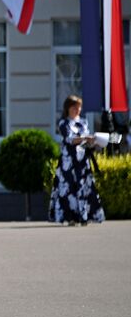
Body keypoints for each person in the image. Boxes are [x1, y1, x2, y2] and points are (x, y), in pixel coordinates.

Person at [48, 95, 105, 225]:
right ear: (68, 108)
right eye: (75, 107)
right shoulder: (63, 123)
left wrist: (93, 141)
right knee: (68, 189)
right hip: (68, 162)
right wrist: (87, 138)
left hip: (82, 159)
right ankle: (70, 217)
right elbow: (70, 139)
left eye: (79, 107)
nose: (77, 110)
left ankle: (85, 217)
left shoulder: (84, 122)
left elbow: (86, 140)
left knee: (84, 186)